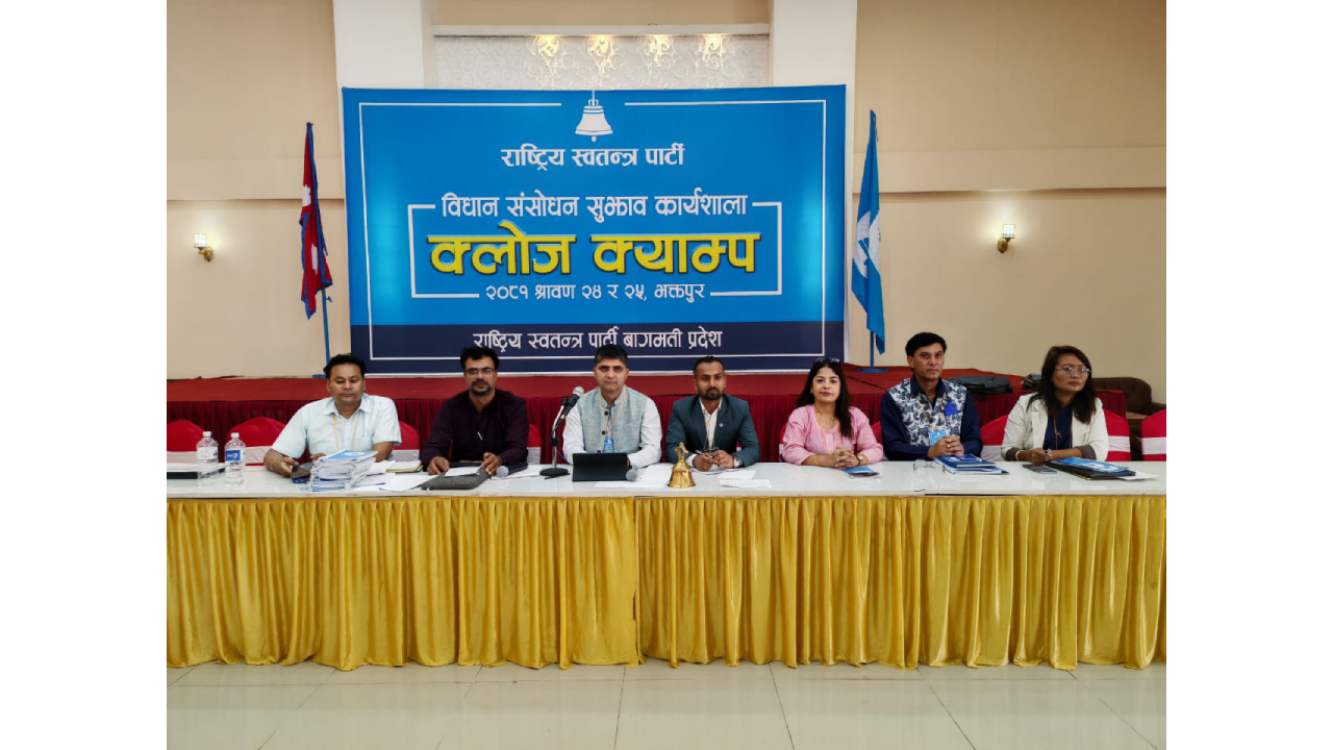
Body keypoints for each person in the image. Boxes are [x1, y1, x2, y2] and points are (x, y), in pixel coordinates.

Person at [264, 353, 401, 475]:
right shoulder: (309, 412)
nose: (347, 386)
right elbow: (272, 455)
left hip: (373, 484)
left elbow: (381, 454)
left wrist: (332, 463)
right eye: (340, 381)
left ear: (364, 384)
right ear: (328, 385)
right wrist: (277, 464)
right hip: (325, 486)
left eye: (354, 380)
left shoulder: (382, 406)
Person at [420, 346, 530, 476]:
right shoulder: (451, 407)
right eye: (473, 371)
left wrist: (500, 459)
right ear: (465, 376)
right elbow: (433, 447)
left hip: (501, 476)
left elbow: (518, 449)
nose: (480, 376)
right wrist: (434, 459)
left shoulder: (514, 405)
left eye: (487, 370)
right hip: (461, 479)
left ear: (496, 375)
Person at [879, 332, 982, 461]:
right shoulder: (895, 397)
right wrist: (929, 452)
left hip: (954, 468)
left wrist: (963, 448)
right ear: (911, 361)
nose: (933, 362)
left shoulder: (960, 393)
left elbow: (975, 441)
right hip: (912, 470)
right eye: (925, 356)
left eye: (938, 355)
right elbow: (892, 447)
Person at [1001, 345, 1109, 463]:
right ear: (1050, 374)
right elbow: (1008, 450)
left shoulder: (1094, 405)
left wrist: (1051, 455)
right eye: (1068, 369)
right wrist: (1027, 455)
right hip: (1033, 472)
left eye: (1082, 370)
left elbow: (1099, 451)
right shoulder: (1026, 403)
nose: (1076, 375)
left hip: (1076, 473)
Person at [563, 344, 662, 468]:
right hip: (591, 472)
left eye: (617, 369)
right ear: (595, 372)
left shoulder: (645, 404)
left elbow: (652, 449)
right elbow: (571, 447)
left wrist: (624, 462)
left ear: (626, 373)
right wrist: (594, 462)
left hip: (631, 472)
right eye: (604, 368)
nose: (610, 375)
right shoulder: (579, 405)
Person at [781, 357, 883, 468]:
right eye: (820, 380)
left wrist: (857, 460)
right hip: (810, 477)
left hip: (845, 477)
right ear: (811, 387)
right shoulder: (800, 416)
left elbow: (874, 449)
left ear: (840, 388)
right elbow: (790, 451)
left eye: (833, 381)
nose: (826, 386)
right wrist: (825, 460)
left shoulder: (855, 416)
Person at [664, 356, 761, 470]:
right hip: (693, 473)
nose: (712, 384)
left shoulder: (740, 408)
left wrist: (732, 459)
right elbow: (673, 447)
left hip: (726, 473)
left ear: (724, 381)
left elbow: (753, 448)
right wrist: (694, 460)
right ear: (695, 383)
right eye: (705, 379)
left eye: (717, 378)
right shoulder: (681, 408)